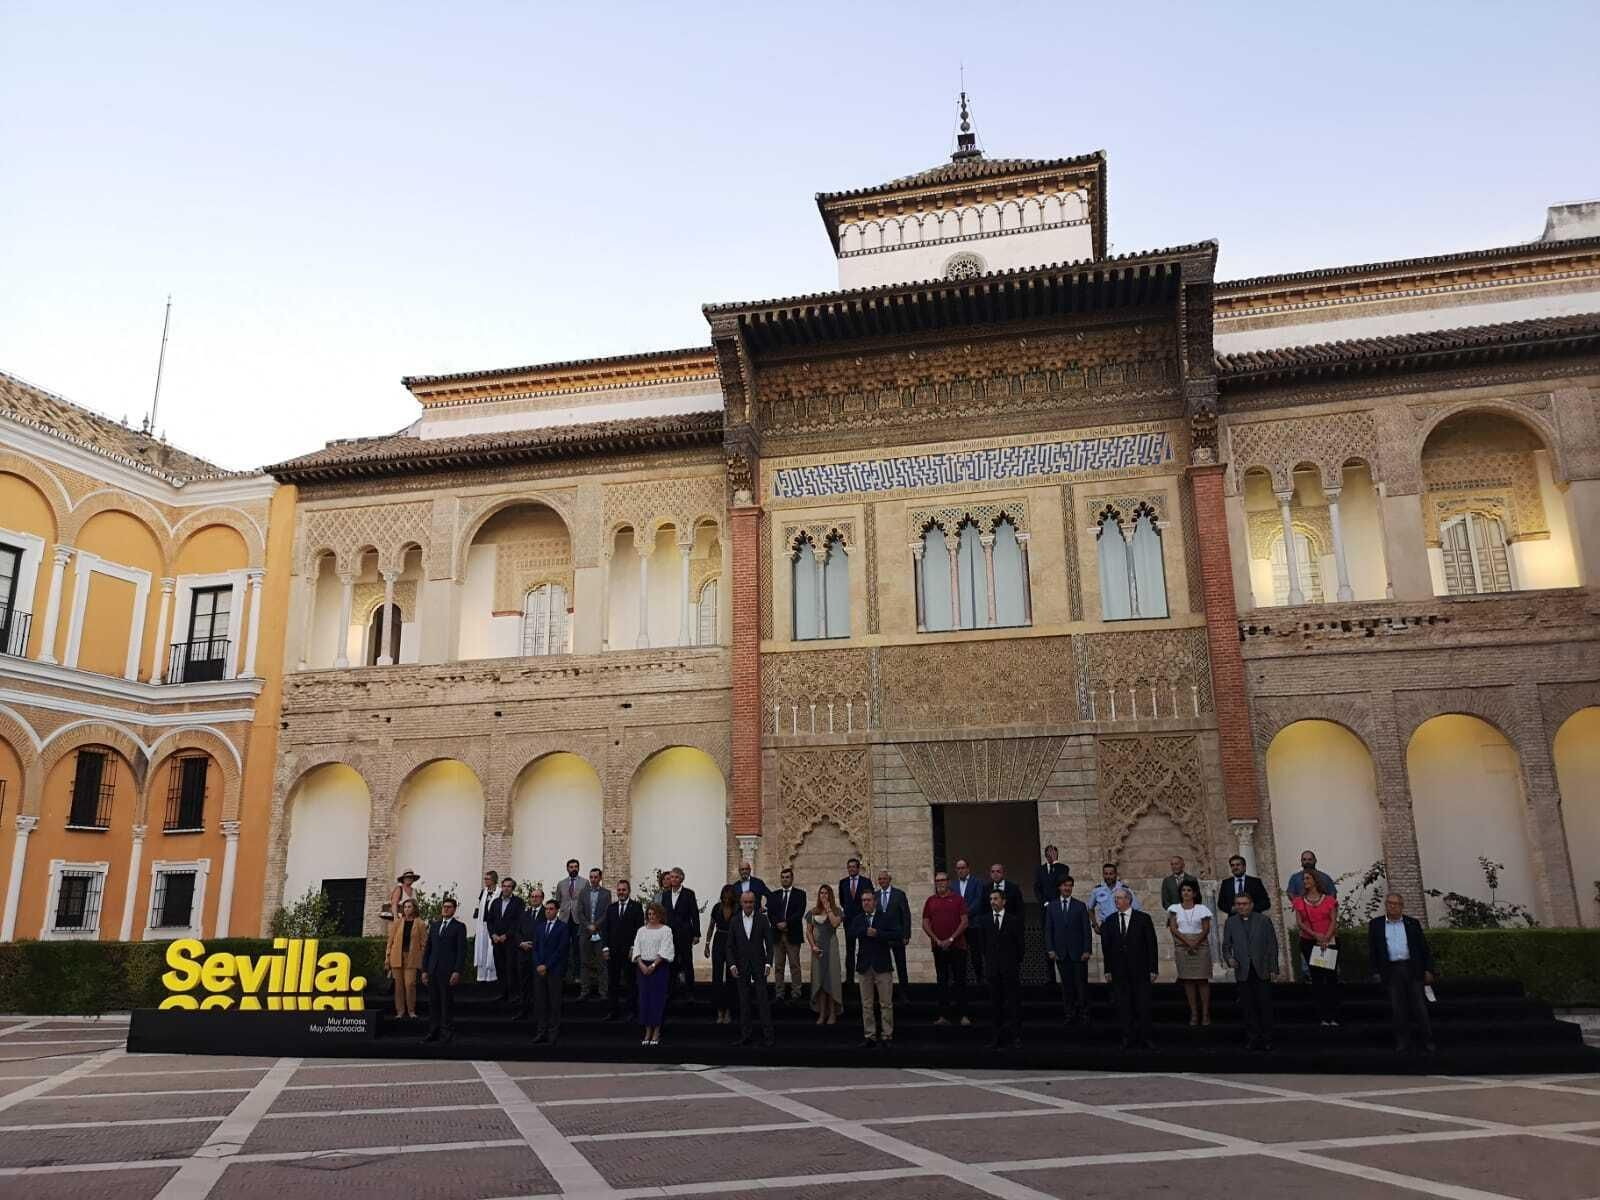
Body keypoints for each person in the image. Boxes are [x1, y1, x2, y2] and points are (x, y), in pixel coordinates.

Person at [1368, 892, 1436, 1054]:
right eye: (1389, 903)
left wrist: (1428, 969)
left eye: (1396, 904)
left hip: (1412, 968)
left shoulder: (1412, 923)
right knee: (1398, 1008)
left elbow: (1423, 948)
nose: (1392, 906)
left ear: (1401, 906)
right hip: (1391, 970)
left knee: (1419, 1007)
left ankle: (1428, 1041)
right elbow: (1373, 950)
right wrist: (1375, 971)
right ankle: (1402, 1042)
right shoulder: (1376, 924)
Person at [1101, 888, 1157, 1050]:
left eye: (1119, 898)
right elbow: (1107, 948)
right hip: (1119, 971)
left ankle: (1146, 1037)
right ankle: (1127, 1037)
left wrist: (1153, 968)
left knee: (1143, 1005)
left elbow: (1151, 945)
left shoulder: (1143, 919)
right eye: (1115, 898)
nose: (1116, 901)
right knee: (1124, 1006)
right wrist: (1108, 970)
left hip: (1140, 970)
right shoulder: (1110, 921)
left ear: (1128, 900)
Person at [1223, 890, 1278, 1051]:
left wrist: (1273, 967)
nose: (1241, 907)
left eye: (1244, 904)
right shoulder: (1231, 922)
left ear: (1251, 905)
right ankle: (1252, 1038)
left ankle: (1268, 1038)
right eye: (1238, 904)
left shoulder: (1263, 920)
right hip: (1242, 970)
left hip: (1261, 969)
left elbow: (1272, 945)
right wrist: (1229, 959)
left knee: (1265, 1006)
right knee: (1248, 1007)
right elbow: (1226, 946)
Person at [849, 889, 900, 1048]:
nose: (866, 903)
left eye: (868, 900)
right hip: (865, 966)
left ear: (875, 902)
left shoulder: (885, 917)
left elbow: (897, 933)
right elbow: (851, 933)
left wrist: (877, 933)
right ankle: (870, 1035)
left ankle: (887, 1035)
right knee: (867, 1004)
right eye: (863, 900)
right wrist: (865, 931)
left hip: (882, 966)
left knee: (886, 1003)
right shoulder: (858, 919)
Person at [1292, 869, 1341, 1026]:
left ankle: (1333, 1015)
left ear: (1315, 880)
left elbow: (1333, 919)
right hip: (1309, 942)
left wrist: (1326, 936)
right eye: (1303, 879)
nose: (1304, 881)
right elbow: (1300, 922)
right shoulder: (1299, 901)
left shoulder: (1328, 900)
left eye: (1307, 878)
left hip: (1329, 941)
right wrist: (1315, 935)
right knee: (1318, 978)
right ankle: (1322, 1016)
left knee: (1331, 977)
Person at [921, 870, 970, 1026]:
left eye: (943, 880)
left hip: (957, 947)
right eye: (937, 881)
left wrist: (951, 939)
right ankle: (943, 1016)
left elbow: (964, 922)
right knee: (942, 982)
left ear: (948, 882)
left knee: (959, 982)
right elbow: (925, 922)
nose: (940, 883)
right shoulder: (930, 901)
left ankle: (963, 1015)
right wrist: (936, 940)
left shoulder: (958, 899)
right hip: (939, 948)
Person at [727, 889, 776, 1046]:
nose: (748, 905)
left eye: (751, 902)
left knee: (762, 1000)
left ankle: (768, 1036)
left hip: (759, 965)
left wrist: (768, 963)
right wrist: (732, 964)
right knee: (744, 1001)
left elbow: (769, 944)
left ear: (755, 903)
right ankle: (745, 1035)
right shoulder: (735, 921)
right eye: (746, 902)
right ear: (741, 903)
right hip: (741, 966)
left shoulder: (762, 919)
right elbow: (729, 946)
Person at [1044, 875, 1093, 1025]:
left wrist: (1087, 950)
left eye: (1070, 885)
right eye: (1064, 885)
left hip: (1078, 953)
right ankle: (1069, 1014)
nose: (1067, 888)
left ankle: (1084, 1013)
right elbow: (1048, 930)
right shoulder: (1052, 906)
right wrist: (1050, 949)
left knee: (1081, 985)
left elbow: (1086, 930)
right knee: (1066, 986)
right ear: (1059, 887)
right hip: (1061, 953)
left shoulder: (1080, 906)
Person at [982, 888, 1025, 1049]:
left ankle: (1016, 1037)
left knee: (1013, 1004)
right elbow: (983, 946)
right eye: (991, 899)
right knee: (995, 1005)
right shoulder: (985, 920)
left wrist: (1013, 963)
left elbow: (1020, 946)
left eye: (995, 898)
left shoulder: (1014, 920)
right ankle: (996, 1038)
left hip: (1010, 969)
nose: (993, 901)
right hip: (993, 970)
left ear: (1003, 901)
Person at [522, 898, 569, 1045]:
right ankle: (541, 1032)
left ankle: (553, 1033)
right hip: (539, 971)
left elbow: (561, 950)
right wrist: (538, 965)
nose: (548, 911)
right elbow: (535, 948)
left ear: (557, 911)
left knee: (554, 1003)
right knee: (541, 1003)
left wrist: (547, 966)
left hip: (554, 970)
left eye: (551, 909)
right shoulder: (540, 927)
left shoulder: (563, 927)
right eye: (547, 909)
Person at [1167, 879, 1213, 1026]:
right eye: (1183, 890)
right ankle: (1194, 1013)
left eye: (1188, 890)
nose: (1186, 893)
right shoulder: (1174, 908)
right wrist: (1188, 942)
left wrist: (1196, 942)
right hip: (1183, 946)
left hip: (1200, 945)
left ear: (1194, 893)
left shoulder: (1202, 909)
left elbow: (1206, 929)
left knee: (1202, 980)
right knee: (1188, 980)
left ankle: (1205, 1013)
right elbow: (1174, 928)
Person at [420, 896, 466, 1044]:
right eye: (444, 906)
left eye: (449, 907)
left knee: (446, 1002)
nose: (445, 909)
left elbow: (461, 951)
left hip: (448, 971)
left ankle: (446, 1033)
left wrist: (457, 971)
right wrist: (425, 970)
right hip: (433, 969)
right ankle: (433, 1031)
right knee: (433, 1002)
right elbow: (428, 949)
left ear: (454, 909)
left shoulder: (459, 927)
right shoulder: (434, 925)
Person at [631, 902, 674, 1046]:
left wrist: (654, 965)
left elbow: (666, 949)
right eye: (649, 914)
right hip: (642, 969)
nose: (651, 916)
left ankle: (656, 1030)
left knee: (657, 1000)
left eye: (654, 914)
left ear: (660, 915)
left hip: (659, 969)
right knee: (644, 1000)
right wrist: (641, 964)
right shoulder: (641, 930)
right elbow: (636, 948)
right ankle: (647, 1030)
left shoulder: (666, 930)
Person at [601, 878, 644, 1021]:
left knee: (631, 982)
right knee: (612, 983)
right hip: (613, 952)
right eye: (619, 890)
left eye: (623, 890)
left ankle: (631, 1011)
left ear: (629, 891)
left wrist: (634, 948)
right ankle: (613, 1011)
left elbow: (639, 930)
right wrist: (605, 948)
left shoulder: (636, 907)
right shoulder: (611, 908)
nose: (621, 892)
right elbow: (605, 929)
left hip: (629, 952)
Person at [659, 867, 700, 1006]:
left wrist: (696, 933)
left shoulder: (689, 894)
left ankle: (690, 993)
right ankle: (671, 992)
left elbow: (694, 914)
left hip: (685, 934)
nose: (673, 879)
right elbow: (663, 915)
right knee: (671, 963)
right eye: (671, 877)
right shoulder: (665, 895)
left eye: (676, 877)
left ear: (681, 879)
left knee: (687, 963)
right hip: (669, 935)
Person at [767, 867, 807, 1005]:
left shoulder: (800, 894)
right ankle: (779, 994)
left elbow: (799, 912)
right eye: (783, 877)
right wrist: (777, 923)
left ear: (792, 878)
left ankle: (796, 993)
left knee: (794, 965)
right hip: (777, 935)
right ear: (780, 879)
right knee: (778, 966)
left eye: (787, 877)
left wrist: (786, 923)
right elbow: (770, 913)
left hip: (792, 934)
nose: (785, 879)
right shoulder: (774, 895)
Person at [806, 883, 844, 1025]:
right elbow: (808, 931)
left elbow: (834, 924)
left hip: (831, 948)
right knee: (819, 981)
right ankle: (822, 1014)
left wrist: (828, 909)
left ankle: (832, 1014)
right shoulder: (812, 912)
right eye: (821, 893)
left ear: (830, 895)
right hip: (818, 950)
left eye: (826, 893)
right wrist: (813, 946)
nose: (823, 895)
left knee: (832, 980)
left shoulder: (837, 910)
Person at [485, 875, 525, 1005]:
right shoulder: (496, 902)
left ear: (513, 889)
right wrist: (493, 935)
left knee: (511, 967)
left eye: (509, 886)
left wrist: (506, 935)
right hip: (497, 941)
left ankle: (514, 994)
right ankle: (503, 993)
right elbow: (489, 921)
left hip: (511, 941)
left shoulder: (518, 902)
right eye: (504, 886)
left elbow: (518, 922)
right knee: (500, 967)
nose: (506, 889)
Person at [1033, 847, 1070, 985]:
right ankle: (1051, 978)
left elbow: (1062, 881)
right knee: (1047, 942)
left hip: (1059, 908)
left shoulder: (1062, 868)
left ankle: (1065, 977)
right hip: (1045, 909)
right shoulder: (1040, 870)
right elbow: (1037, 887)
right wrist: (1045, 902)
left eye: (1053, 853)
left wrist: (1055, 863)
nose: (1050, 855)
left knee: (1062, 939)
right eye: (1048, 853)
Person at [385, 896, 426, 1018]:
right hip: (396, 956)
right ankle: (400, 1011)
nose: (407, 909)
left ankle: (411, 1010)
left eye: (409, 907)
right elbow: (390, 941)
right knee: (398, 985)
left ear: (414, 908)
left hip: (412, 957)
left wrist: (422, 957)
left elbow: (424, 943)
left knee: (410, 984)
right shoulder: (397, 922)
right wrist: (387, 957)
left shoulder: (420, 923)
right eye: (405, 907)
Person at [874, 869, 912, 1001]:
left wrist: (906, 934)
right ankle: (883, 994)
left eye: (884, 879)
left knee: (901, 965)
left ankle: (904, 994)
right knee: (882, 967)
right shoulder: (875, 895)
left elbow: (906, 915)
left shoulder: (899, 894)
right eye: (879, 879)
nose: (881, 881)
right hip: (881, 937)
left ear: (889, 880)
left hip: (897, 935)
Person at [575, 867, 611, 1002]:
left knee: (601, 963)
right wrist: (588, 925)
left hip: (600, 932)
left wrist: (596, 925)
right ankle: (584, 991)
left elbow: (606, 913)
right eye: (591, 877)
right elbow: (580, 912)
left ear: (600, 878)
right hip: (585, 932)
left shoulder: (606, 893)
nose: (593, 880)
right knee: (584, 963)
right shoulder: (583, 893)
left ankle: (603, 991)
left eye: (596, 877)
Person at [705, 884, 739, 1024]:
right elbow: (711, 926)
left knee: (732, 977)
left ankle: (729, 1011)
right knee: (717, 977)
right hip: (719, 941)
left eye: (729, 897)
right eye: (724, 897)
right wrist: (707, 944)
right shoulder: (716, 908)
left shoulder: (738, 909)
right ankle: (719, 1012)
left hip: (733, 943)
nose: (726, 899)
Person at [951, 858, 987, 981]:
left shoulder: (977, 882)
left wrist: (965, 914)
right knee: (959, 954)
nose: (960, 870)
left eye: (962, 868)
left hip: (973, 924)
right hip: (958, 926)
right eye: (958, 868)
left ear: (968, 869)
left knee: (976, 953)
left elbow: (978, 901)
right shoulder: (953, 885)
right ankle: (961, 980)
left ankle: (980, 979)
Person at [838, 857, 870, 988]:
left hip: (862, 920)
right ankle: (849, 979)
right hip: (849, 920)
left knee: (864, 948)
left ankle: (865, 976)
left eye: (853, 867)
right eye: (849, 867)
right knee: (849, 950)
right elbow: (842, 900)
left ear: (858, 868)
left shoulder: (865, 882)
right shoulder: (843, 883)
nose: (851, 869)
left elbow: (870, 898)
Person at [1089, 863, 1139, 935]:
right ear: (1103, 875)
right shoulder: (1097, 890)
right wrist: (1094, 925)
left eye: (1111, 874)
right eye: (1106, 874)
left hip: (1122, 925)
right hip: (1106, 926)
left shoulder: (1124, 889)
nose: (1108, 876)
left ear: (1115, 874)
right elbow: (1090, 908)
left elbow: (1136, 908)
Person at [555, 859, 585, 977]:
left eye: (576, 866)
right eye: (571, 867)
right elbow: (557, 901)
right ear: (567, 869)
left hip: (578, 920)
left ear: (578, 868)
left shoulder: (585, 882)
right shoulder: (561, 883)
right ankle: (563, 974)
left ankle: (577, 975)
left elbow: (586, 902)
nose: (574, 869)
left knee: (577, 948)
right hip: (564, 919)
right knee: (563, 947)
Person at [471, 870, 499, 984]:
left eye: (487, 879)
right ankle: (482, 976)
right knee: (482, 948)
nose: (485, 881)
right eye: (485, 879)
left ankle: (492, 976)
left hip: (493, 925)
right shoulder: (484, 892)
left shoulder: (499, 892)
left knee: (491, 950)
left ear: (493, 880)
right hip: (482, 925)